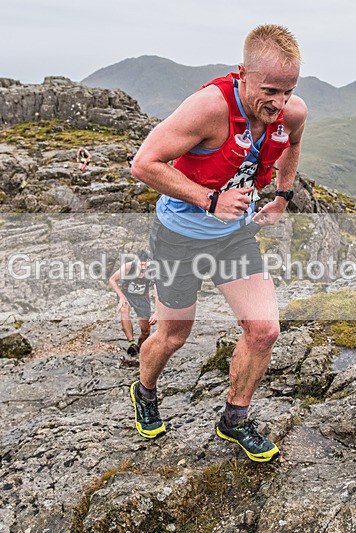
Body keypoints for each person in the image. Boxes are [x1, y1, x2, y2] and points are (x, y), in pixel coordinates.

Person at [129, 24, 307, 462]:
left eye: (287, 91)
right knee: (173, 336)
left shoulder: (292, 112)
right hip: (179, 238)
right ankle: (145, 390)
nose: (279, 103)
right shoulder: (209, 109)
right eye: (270, 91)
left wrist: (282, 197)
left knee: (264, 330)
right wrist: (209, 199)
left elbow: (293, 144)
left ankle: (235, 420)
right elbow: (144, 164)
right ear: (242, 72)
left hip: (233, 237)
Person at [109, 252, 157, 363]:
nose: (143, 268)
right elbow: (112, 279)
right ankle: (131, 342)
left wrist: (157, 312)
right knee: (124, 310)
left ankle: (137, 347)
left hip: (142, 298)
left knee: (146, 331)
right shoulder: (128, 267)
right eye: (141, 265)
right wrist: (121, 297)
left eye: (146, 265)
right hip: (126, 295)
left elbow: (157, 291)